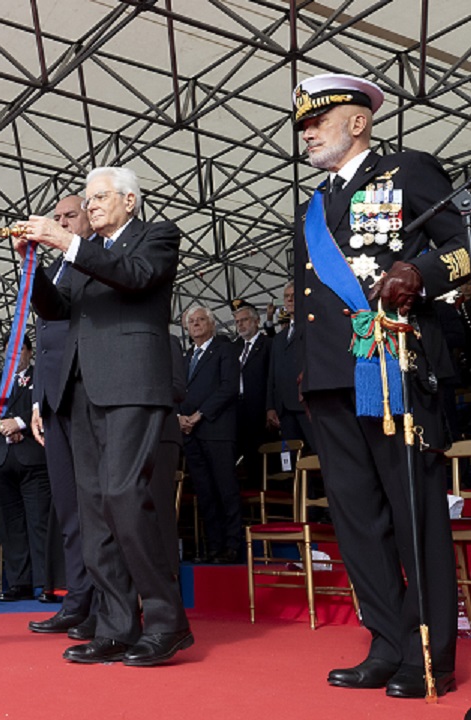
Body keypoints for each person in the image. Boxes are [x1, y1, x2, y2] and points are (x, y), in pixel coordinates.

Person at [292, 73, 467, 698]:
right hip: (332, 381)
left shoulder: (409, 170)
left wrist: (417, 273)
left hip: (392, 367)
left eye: (317, 120)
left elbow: (465, 246)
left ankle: (429, 656)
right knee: (359, 520)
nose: (306, 131)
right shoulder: (312, 205)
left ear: (358, 121)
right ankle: (386, 644)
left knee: (413, 514)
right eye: (302, 124)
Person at [18, 165, 192, 666]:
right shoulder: (81, 259)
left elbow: (135, 279)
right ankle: (116, 625)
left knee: (124, 496)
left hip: (133, 383)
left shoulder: (156, 237)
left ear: (130, 201)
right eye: (88, 199)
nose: (90, 206)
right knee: (94, 509)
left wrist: (68, 244)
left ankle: (167, 621)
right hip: (81, 390)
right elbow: (56, 310)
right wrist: (32, 266)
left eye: (99, 198)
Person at [28, 194, 97, 638]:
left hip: (89, 395)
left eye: (70, 216)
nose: (61, 222)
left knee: (96, 508)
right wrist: (36, 400)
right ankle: (77, 598)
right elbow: (43, 344)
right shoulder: (55, 271)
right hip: (53, 401)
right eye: (56, 218)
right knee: (69, 508)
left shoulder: (100, 260)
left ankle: (106, 603)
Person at [0, 335, 51, 602]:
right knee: (8, 526)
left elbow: (47, 405)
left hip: (33, 457)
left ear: (29, 352)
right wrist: (5, 429)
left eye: (19, 349)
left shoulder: (41, 376)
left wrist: (21, 424)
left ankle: (46, 582)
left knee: (39, 521)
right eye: (8, 349)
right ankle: (19, 582)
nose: (13, 354)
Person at [179, 306, 241, 563]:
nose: (196, 324)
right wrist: (179, 417)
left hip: (216, 429)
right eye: (191, 321)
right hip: (190, 434)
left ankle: (233, 546)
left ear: (212, 324)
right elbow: (178, 391)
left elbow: (229, 387)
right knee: (205, 491)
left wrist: (199, 414)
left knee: (225, 489)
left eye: (201, 320)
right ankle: (214, 547)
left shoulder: (224, 350)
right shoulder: (185, 357)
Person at [266, 281, 315, 450]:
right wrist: (270, 406)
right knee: (290, 458)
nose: (290, 300)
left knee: (316, 453)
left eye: (294, 296)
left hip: (306, 405)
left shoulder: (312, 328)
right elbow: (272, 374)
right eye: (286, 296)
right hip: (284, 411)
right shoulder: (279, 338)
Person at [232, 302, 274, 489]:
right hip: (239, 411)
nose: (240, 325)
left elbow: (273, 379)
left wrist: (270, 407)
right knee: (246, 459)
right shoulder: (233, 348)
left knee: (264, 458)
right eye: (237, 322)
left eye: (245, 320)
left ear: (257, 321)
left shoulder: (268, 344)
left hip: (260, 409)